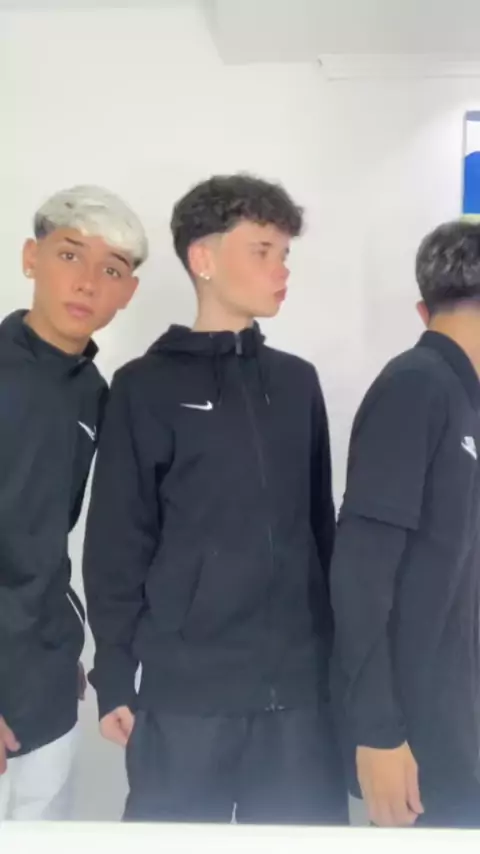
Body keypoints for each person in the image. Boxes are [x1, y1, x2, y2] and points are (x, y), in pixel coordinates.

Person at [83, 173, 347, 824]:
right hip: (184, 695)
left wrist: (342, 669)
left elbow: (322, 532)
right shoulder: (144, 387)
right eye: (262, 250)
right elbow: (117, 541)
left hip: (297, 699)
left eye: (284, 253)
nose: (281, 269)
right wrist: (113, 673)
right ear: (204, 258)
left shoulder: (297, 383)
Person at [0, 185, 148, 821]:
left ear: (128, 292)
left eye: (111, 269)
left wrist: (62, 646)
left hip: (49, 687)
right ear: (30, 257)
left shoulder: (94, 392)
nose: (87, 281)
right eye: (69, 255)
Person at [330, 220, 480, 828]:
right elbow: (360, 573)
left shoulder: (461, 396)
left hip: (458, 721)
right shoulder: (417, 387)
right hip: (421, 738)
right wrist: (378, 732)